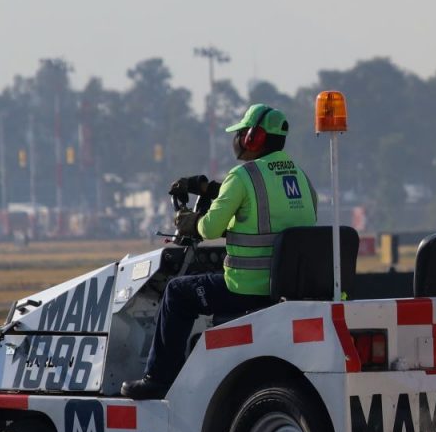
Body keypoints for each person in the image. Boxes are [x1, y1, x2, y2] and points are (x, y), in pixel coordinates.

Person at [121, 104, 317, 400]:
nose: (236, 139)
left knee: (177, 293)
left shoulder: (243, 175)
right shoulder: (301, 177)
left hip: (246, 287)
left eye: (240, 133)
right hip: (289, 287)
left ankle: (157, 379)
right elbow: (266, 214)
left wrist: (189, 221)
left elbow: (210, 229)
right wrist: (210, 189)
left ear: (254, 138)